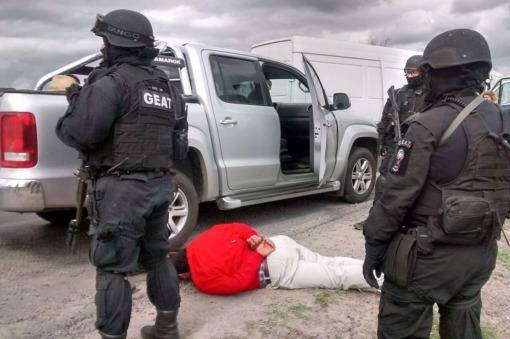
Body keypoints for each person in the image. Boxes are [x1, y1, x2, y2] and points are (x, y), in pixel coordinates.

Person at [362, 28, 510, 338]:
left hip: (426, 257)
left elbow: (394, 199)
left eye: (428, 74)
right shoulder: (501, 119)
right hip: (479, 255)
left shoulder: (428, 125)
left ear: (441, 74)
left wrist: (374, 248)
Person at [55, 9, 186, 339]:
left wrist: (74, 95)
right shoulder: (167, 87)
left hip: (122, 192)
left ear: (116, 43)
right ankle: (166, 328)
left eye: (103, 41)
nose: (101, 48)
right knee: (157, 256)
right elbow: (179, 147)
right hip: (161, 185)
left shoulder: (111, 83)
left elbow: (77, 133)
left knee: (112, 268)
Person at [169, 222, 380, 295]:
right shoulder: (200, 239)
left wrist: (257, 254)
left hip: (274, 267)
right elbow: (237, 227)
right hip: (279, 242)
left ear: (182, 275)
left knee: (334, 276)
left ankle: (390, 280)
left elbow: (238, 282)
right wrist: (256, 238)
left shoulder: (202, 280)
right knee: (329, 262)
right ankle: (379, 268)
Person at [354, 55, 427, 230]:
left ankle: (410, 222)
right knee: (384, 182)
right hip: (396, 145)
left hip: (419, 147)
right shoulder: (398, 94)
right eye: (407, 73)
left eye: (413, 72)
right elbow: (384, 122)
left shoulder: (431, 96)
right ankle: (374, 220)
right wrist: (382, 144)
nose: (410, 76)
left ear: (423, 72)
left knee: (415, 185)